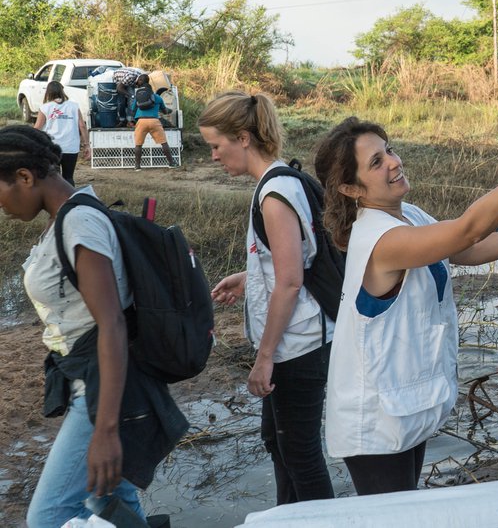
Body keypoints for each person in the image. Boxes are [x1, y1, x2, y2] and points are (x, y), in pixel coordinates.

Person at [314, 114, 498, 495]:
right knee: (391, 519)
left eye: (388, 150)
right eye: (376, 163)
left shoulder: (406, 216)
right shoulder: (379, 240)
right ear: (351, 188)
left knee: (404, 508)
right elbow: (468, 228)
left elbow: (468, 248)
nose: (393, 162)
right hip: (375, 421)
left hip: (401, 407)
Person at [0, 125, 187, 527]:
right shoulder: (65, 218)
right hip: (91, 381)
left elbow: (112, 326)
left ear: (25, 177)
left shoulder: (80, 223)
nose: (1, 206)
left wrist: (106, 428)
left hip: (100, 389)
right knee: (115, 507)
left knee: (48, 517)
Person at [199, 91, 335, 505]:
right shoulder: (281, 181)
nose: (214, 157)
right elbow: (290, 263)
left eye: (216, 146)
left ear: (243, 137)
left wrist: (265, 356)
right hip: (300, 340)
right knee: (280, 446)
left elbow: (291, 281)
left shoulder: (275, 194)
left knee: (301, 454)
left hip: (298, 346)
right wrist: (248, 278)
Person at [33, 80, 89, 185]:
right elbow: (82, 126)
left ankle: (55, 200)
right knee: (68, 177)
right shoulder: (74, 106)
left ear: (48, 93)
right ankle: (70, 199)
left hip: (52, 148)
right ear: (62, 91)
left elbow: (37, 129)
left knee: (54, 177)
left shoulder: (45, 108)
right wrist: (86, 145)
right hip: (71, 147)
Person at [131, 74, 177, 170]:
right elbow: (164, 111)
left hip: (141, 121)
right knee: (164, 143)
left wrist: (132, 119)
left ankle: (137, 166)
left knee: (138, 144)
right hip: (154, 121)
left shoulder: (138, 96)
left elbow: (133, 109)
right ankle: (172, 163)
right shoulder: (157, 97)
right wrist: (169, 110)